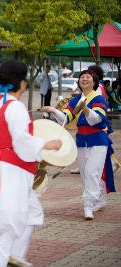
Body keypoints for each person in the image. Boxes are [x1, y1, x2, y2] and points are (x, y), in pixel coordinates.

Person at [0, 60, 62, 267]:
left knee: (31, 211)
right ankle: (4, 259)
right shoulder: (14, 106)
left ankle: (16, 255)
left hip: (5, 163)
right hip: (13, 167)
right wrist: (46, 144)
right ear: (23, 84)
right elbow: (21, 140)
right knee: (11, 221)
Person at [42, 69, 115, 220]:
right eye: (82, 77)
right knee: (85, 174)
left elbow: (97, 120)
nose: (84, 79)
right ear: (79, 82)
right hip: (81, 140)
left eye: (88, 77)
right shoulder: (75, 101)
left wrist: (86, 109)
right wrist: (53, 110)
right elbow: (65, 119)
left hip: (98, 140)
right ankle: (99, 199)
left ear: (94, 82)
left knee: (91, 172)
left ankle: (88, 206)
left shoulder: (98, 98)